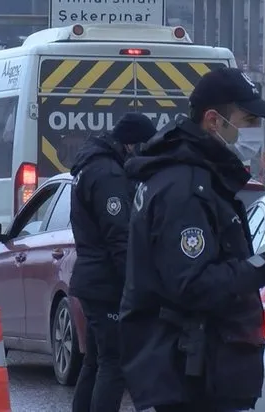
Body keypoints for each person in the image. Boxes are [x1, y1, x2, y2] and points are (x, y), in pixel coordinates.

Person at [119, 67, 265, 412]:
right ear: (214, 121)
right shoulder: (186, 188)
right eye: (248, 120)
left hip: (204, 372)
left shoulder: (200, 177)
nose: (255, 132)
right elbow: (193, 283)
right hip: (191, 378)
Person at [69, 113, 157, 412]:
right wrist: (135, 286)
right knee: (114, 364)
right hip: (106, 284)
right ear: (131, 144)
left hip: (93, 280)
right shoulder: (108, 174)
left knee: (95, 362)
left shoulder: (93, 166)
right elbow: (119, 237)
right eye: (145, 146)